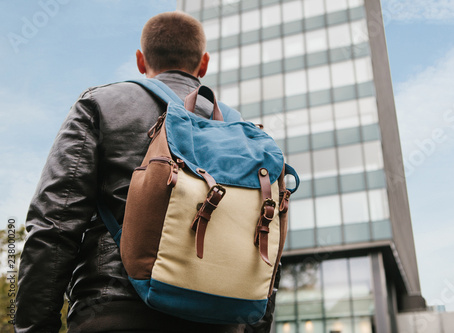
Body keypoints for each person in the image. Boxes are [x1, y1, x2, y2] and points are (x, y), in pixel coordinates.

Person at [15, 11, 277, 333]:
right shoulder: (245, 134)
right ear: (203, 64)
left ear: (141, 61)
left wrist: (34, 326)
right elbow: (267, 244)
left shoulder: (101, 104)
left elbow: (53, 224)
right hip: (221, 320)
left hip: (113, 313)